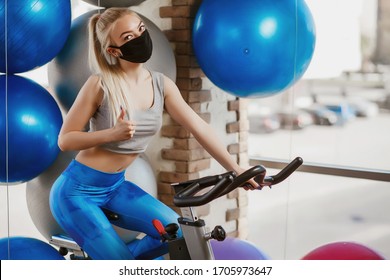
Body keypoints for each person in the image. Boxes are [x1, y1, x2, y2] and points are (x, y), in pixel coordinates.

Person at [49, 7, 257, 260]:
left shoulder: (161, 84)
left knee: (181, 233)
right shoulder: (100, 84)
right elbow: (65, 139)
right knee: (122, 264)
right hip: (76, 192)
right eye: (128, 37)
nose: (139, 38)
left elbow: (199, 128)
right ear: (113, 50)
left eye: (141, 29)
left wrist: (237, 170)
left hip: (116, 186)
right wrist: (111, 134)